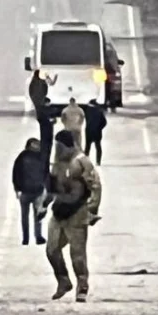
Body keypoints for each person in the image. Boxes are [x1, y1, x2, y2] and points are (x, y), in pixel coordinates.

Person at [42, 129, 101, 302]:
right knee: (52, 250)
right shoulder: (57, 163)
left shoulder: (82, 162)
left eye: (61, 146)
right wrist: (44, 205)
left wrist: (92, 210)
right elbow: (52, 187)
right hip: (59, 212)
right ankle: (63, 280)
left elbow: (95, 186)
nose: (58, 150)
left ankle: (82, 285)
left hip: (77, 212)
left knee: (78, 253)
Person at [12, 138, 48, 245]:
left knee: (36, 215)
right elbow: (16, 174)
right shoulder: (25, 157)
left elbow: (45, 173)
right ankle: (28, 237)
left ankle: (35, 236)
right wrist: (17, 189)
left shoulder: (25, 157)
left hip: (35, 190)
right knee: (27, 216)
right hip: (27, 191)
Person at [83, 100, 108, 166]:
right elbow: (104, 122)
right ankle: (98, 161)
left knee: (87, 147)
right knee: (98, 146)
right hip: (97, 131)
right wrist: (99, 128)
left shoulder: (87, 111)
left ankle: (85, 161)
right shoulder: (99, 111)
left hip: (89, 130)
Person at [36, 97, 57, 165]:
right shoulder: (42, 110)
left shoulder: (48, 110)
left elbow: (55, 119)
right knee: (46, 146)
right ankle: (44, 159)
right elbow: (40, 119)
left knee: (48, 146)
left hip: (47, 130)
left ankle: (46, 159)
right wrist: (49, 121)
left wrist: (52, 120)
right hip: (46, 130)